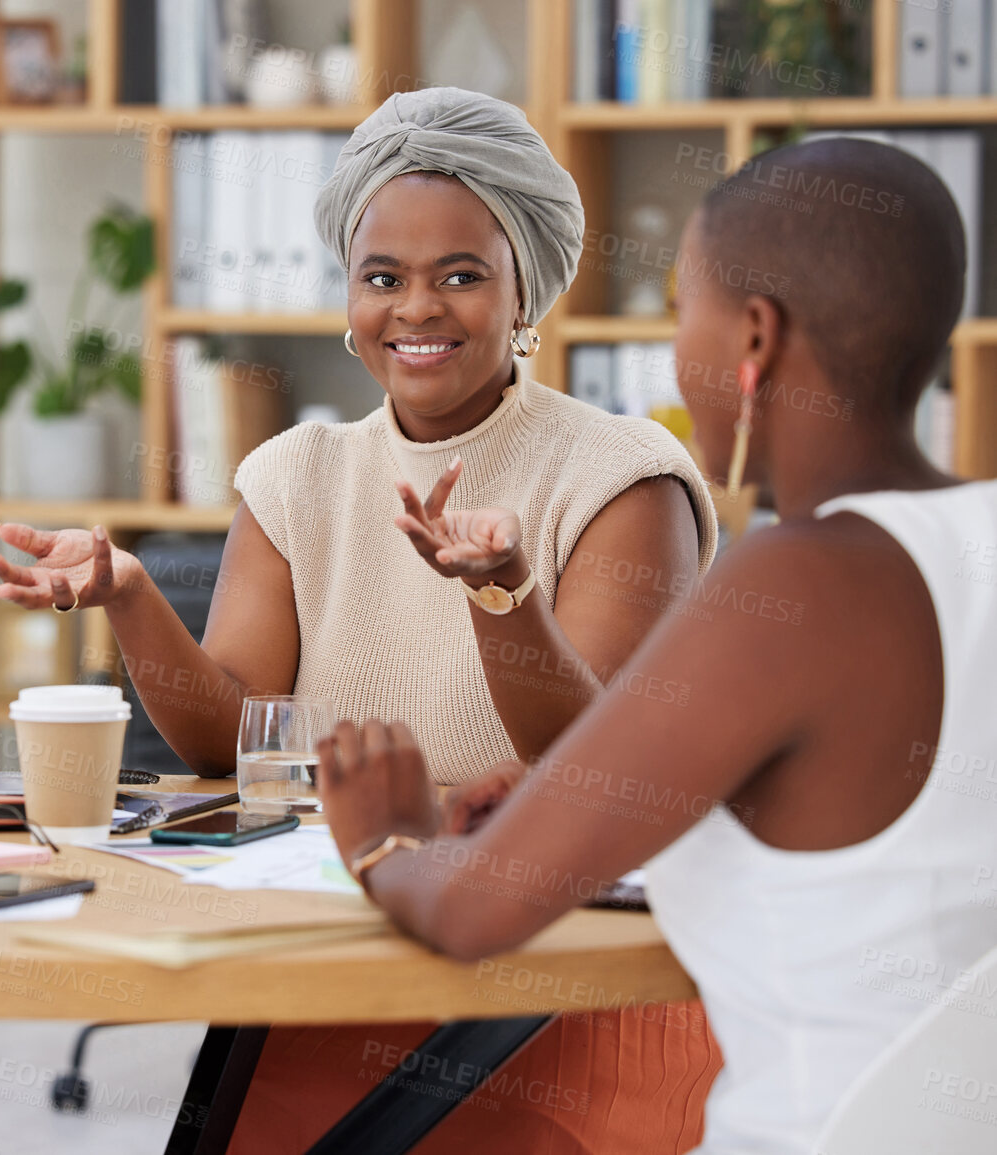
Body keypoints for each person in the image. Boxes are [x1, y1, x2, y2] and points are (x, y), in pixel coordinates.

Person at [0, 88, 721, 1151]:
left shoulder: (624, 478)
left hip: (559, 989)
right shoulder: (298, 473)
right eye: (384, 278)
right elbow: (233, 738)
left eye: (461, 276)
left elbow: (592, 774)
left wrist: (499, 592)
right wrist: (131, 596)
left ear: (526, 294)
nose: (416, 309)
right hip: (349, 961)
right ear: (349, 296)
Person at [317, 137, 997, 1155]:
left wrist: (387, 841)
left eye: (688, 313)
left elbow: (470, 915)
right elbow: (874, 830)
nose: (683, 352)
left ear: (754, 338)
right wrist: (574, 810)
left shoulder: (792, 584)